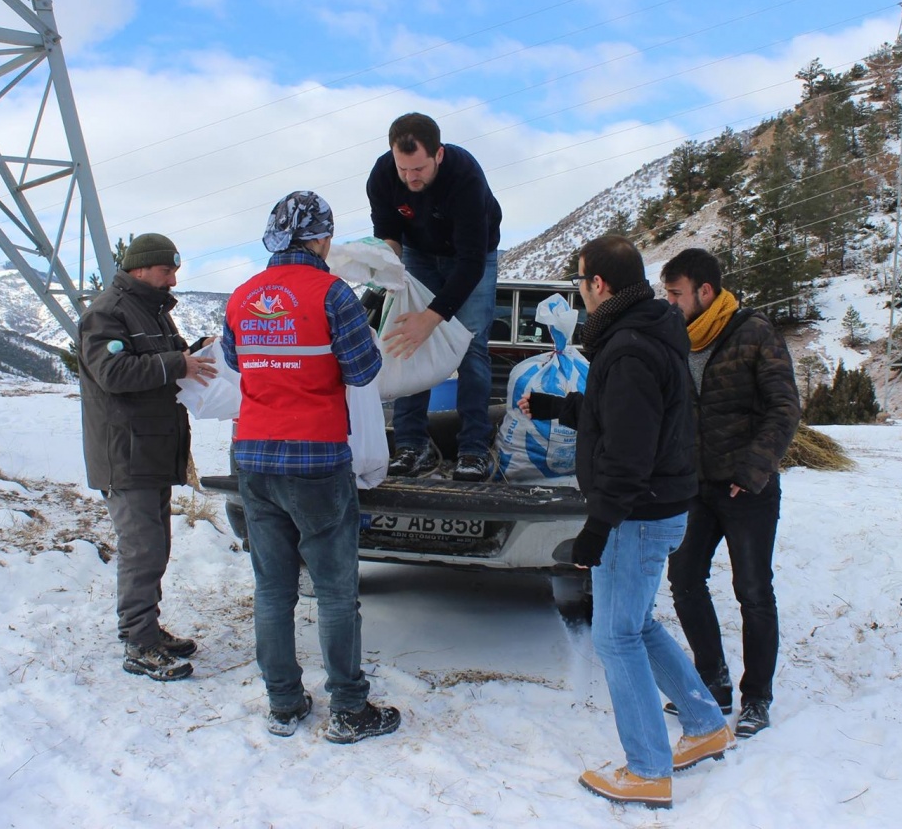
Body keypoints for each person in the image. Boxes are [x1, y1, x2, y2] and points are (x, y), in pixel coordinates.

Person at [521, 236, 732, 811]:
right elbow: (622, 415)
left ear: (600, 286)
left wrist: (598, 525)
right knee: (635, 625)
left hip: (637, 514)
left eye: (581, 279)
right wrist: (557, 409)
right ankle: (705, 722)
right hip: (653, 507)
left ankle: (647, 770)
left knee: (615, 636)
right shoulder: (643, 330)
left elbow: (631, 451)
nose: (579, 290)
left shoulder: (630, 346)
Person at [222, 190, 401, 744]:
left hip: (253, 457)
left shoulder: (242, 296)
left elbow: (233, 360)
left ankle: (283, 703)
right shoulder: (333, 294)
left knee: (273, 589)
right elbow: (364, 369)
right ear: (320, 238)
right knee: (334, 592)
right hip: (317, 459)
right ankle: (349, 708)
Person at [661, 248, 800, 739]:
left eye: (676, 294)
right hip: (695, 487)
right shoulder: (677, 338)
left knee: (754, 592)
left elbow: (785, 407)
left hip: (748, 489)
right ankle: (712, 680)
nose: (670, 302)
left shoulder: (754, 333)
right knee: (684, 580)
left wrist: (753, 467)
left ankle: (757, 697)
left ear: (705, 291)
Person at [79, 233, 215, 682]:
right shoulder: (108, 313)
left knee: (156, 549)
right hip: (126, 452)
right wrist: (178, 363)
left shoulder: (151, 311)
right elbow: (114, 373)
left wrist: (192, 353)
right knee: (141, 551)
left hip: (152, 448)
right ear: (141, 268)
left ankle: (149, 630)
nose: (173, 280)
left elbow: (160, 360)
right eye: (166, 271)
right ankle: (138, 642)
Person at [366, 112, 502, 482]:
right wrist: (383, 271)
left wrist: (431, 317)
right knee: (407, 341)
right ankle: (412, 446)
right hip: (419, 254)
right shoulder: (382, 176)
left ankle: (474, 449)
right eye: (403, 168)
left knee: (471, 346)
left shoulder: (465, 177)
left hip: (473, 254)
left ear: (438, 155)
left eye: (419, 169)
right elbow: (389, 236)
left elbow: (472, 264)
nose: (411, 178)